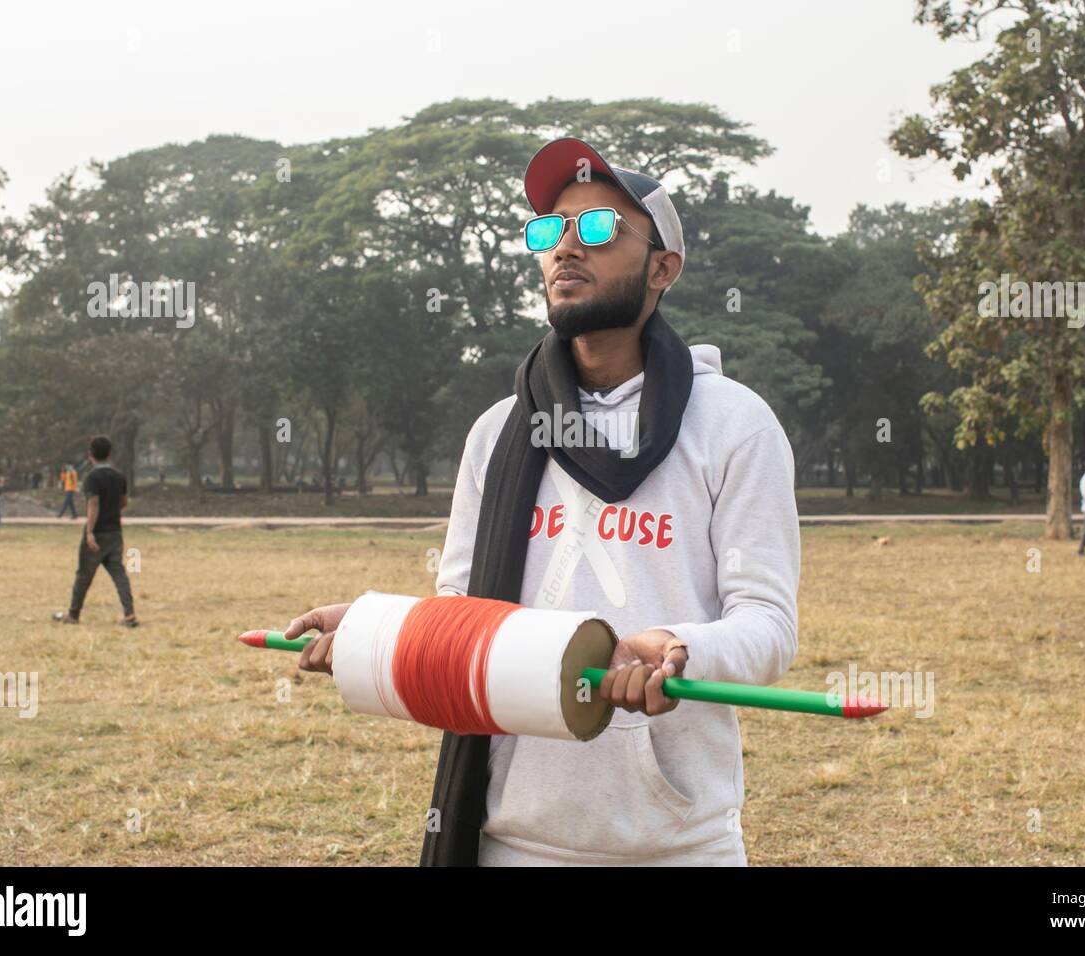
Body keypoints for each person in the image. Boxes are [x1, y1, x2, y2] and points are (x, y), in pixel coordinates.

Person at [285, 137, 800, 866]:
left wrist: (684, 650)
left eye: (597, 230)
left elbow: (769, 626)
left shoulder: (733, 425)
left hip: (677, 844)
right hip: (510, 837)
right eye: (550, 230)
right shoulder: (498, 431)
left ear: (663, 268)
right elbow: (465, 616)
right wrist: (381, 631)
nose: (565, 248)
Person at [53, 436, 137, 626]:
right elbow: (123, 502)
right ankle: (129, 614)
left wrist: (90, 531)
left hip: (97, 533)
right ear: (109, 454)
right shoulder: (119, 477)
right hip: (115, 532)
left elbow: (93, 503)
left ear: (90, 455)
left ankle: (73, 615)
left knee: (84, 575)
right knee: (119, 575)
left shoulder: (91, 478)